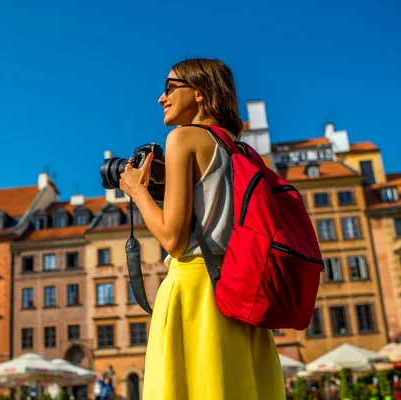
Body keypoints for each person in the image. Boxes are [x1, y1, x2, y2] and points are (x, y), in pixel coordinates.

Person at [118, 58, 286, 399]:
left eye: (169, 89)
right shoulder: (242, 150)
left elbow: (173, 240)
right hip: (242, 291)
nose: (160, 98)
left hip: (196, 289)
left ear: (200, 93)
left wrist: (136, 189)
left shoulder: (183, 139)